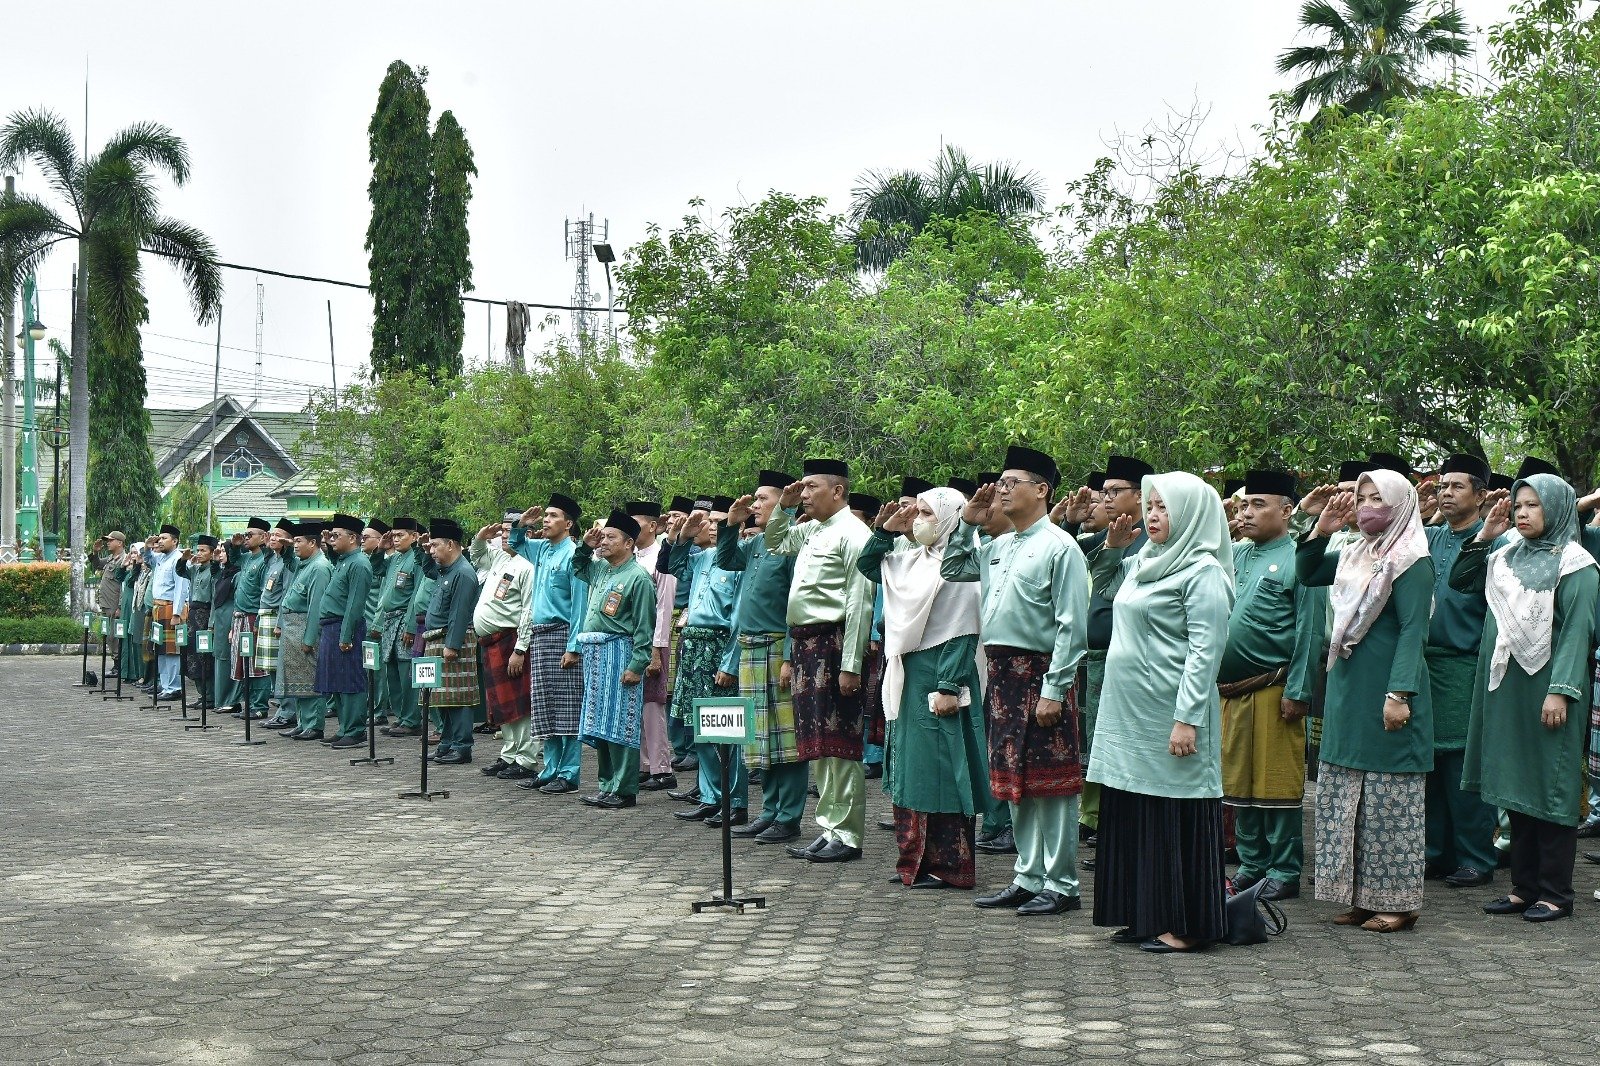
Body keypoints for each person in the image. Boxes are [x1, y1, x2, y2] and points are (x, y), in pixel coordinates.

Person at [1088, 472, 1234, 952]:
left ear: (1191, 514)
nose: (1152, 515)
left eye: (1164, 507)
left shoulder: (1203, 572)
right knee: (1133, 808)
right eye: (1150, 505)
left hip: (1171, 714)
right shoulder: (1144, 560)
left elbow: (1204, 652)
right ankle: (1138, 911)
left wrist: (1187, 718)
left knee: (1173, 811)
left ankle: (1184, 925)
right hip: (1129, 712)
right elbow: (1105, 598)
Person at [942, 445, 1089, 916]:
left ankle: (1062, 884)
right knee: (1015, 781)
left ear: (1042, 490)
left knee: (1054, 785)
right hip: (1003, 677)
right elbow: (952, 567)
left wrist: (1054, 689)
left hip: (1042, 675)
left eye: (1012, 483)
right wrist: (967, 521)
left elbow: (1072, 626)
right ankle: (1027, 877)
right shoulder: (999, 546)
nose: (1001, 490)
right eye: (1001, 483)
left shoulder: (1060, 547)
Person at [1456, 474, 1598, 922]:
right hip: (1506, 687)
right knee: (1516, 788)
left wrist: (1561, 691)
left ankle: (1556, 893)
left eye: (1534, 505)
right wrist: (1485, 535)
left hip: (1550, 690)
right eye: (1518, 505)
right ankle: (1523, 888)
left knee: (1550, 788)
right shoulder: (1505, 556)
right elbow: (1460, 580)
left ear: (1556, 509)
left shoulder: (1576, 564)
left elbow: (1578, 634)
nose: (1522, 513)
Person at [1297, 469, 1434, 933]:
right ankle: (1358, 897)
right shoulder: (1355, 552)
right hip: (1348, 689)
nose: (1367, 505)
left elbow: (1415, 630)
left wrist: (1399, 694)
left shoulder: (1412, 559)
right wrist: (1321, 531)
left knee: (1387, 799)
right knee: (1345, 796)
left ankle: (1397, 902)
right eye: (1362, 497)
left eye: (1379, 498)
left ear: (1401, 505)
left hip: (1387, 692)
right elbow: (1309, 571)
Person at [862, 486, 985, 889]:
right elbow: (867, 565)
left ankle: (948, 866)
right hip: (908, 675)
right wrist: (883, 530)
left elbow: (963, 629)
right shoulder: (912, 560)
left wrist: (950, 684)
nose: (920, 520)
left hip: (940, 677)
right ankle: (913, 861)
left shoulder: (961, 565)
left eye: (929, 513)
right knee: (910, 771)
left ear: (950, 517)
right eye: (917, 511)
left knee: (941, 770)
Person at [766, 458, 877, 863]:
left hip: (834, 644)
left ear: (838, 492)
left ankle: (847, 836)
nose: (806, 493)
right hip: (806, 644)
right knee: (817, 743)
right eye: (803, 487)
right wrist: (783, 507)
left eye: (812, 486)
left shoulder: (854, 533)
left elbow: (860, 603)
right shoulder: (814, 528)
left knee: (840, 743)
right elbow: (775, 542)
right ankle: (828, 827)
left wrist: (851, 664)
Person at [1220, 470, 1314, 902]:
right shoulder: (1235, 556)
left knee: (1277, 783)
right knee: (1238, 782)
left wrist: (1299, 690)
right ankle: (1251, 864)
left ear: (1286, 510)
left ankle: (1284, 869)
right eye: (1244, 504)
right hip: (1230, 690)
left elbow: (1309, 632)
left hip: (1276, 689)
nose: (1248, 512)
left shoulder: (1300, 559)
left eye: (1260, 504)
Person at [1421, 455, 1502, 888]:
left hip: (1465, 663)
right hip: (1425, 664)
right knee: (1429, 764)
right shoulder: (1429, 536)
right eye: (1441, 487)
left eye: (1456, 486)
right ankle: (1437, 853)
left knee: (1463, 766)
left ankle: (1476, 857)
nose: (1445, 493)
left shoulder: (1496, 542)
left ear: (1482, 495)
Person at [720, 472, 806, 844]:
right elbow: (725, 559)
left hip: (775, 648)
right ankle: (769, 811)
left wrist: (789, 655)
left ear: (784, 505)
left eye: (761, 500)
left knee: (786, 739)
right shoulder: (756, 545)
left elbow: (796, 606)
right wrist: (730, 524)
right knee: (761, 738)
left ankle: (789, 817)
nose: (754, 505)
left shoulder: (792, 547)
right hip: (750, 648)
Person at [1078, 455, 1153, 852]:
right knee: (1098, 741)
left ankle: (1115, 825)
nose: (1104, 499)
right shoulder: (1108, 537)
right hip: (1097, 655)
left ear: (1139, 496)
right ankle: (1096, 820)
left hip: (1132, 658)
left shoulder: (1152, 540)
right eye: (1103, 492)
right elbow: (1077, 553)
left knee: (1123, 742)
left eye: (1114, 492)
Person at [666, 499, 746, 826]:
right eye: (708, 521)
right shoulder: (704, 557)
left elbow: (740, 616)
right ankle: (710, 796)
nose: (711, 526)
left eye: (719, 521)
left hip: (718, 646)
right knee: (700, 727)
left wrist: (730, 662)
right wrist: (681, 536)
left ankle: (734, 801)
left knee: (724, 730)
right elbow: (675, 568)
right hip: (693, 646)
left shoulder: (740, 559)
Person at [573, 510, 659, 809]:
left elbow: (645, 627)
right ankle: (606, 786)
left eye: (611, 537)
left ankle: (624, 789)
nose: (604, 542)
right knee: (601, 723)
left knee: (621, 722)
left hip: (620, 654)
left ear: (629, 543)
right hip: (596, 656)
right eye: (603, 536)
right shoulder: (600, 569)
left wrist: (637, 665)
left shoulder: (639, 578)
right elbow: (577, 565)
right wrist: (585, 545)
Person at [510, 493, 589, 795]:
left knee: (567, 707)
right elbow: (516, 544)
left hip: (562, 634)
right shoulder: (542, 548)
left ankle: (569, 774)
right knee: (545, 707)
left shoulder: (574, 554)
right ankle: (550, 769)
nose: (547, 519)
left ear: (569, 524)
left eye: (554, 516)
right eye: (546, 515)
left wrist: (574, 647)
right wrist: (522, 523)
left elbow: (579, 606)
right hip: (541, 636)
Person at [470, 515, 538, 780]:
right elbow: (477, 556)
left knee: (520, 706)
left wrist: (520, 649)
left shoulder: (527, 566)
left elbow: (528, 611)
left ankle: (526, 759)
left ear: (526, 535)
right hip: (493, 641)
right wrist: (480, 537)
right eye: (503, 532)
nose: (505, 536)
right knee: (502, 705)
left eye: (512, 532)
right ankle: (510, 754)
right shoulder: (500, 558)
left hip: (511, 641)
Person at [628, 501, 680, 792]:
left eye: (636, 523)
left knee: (653, 705)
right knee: (637, 705)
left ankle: (662, 767)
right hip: (633, 638)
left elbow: (664, 607)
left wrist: (657, 649)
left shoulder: (662, 557)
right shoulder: (631, 557)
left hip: (652, 641)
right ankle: (644, 765)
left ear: (652, 525)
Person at [420, 518, 481, 765]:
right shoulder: (447, 570)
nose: (432, 550)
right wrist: (424, 552)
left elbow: (460, 613)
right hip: (438, 639)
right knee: (442, 698)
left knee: (459, 698)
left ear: (452, 544)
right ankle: (446, 743)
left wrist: (452, 645)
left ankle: (462, 746)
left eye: (435, 546)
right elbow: (428, 569)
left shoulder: (464, 573)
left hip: (454, 642)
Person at [312, 513, 375, 749]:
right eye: (330, 535)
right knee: (336, 680)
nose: (331, 539)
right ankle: (343, 727)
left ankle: (355, 729)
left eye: (336, 535)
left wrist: (346, 635)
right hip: (331, 627)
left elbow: (355, 604)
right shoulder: (344, 560)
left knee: (350, 680)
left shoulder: (359, 563)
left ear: (353, 538)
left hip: (345, 627)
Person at [375, 518, 427, 738]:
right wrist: (380, 549)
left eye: (400, 535)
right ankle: (400, 717)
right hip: (389, 621)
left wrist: (411, 625)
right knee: (393, 671)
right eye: (394, 535)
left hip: (405, 620)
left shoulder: (417, 559)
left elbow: (416, 594)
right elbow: (375, 569)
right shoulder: (395, 558)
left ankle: (412, 718)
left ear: (414, 537)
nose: (395, 540)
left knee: (407, 672)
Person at [282, 523, 334, 741]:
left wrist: (310, 637)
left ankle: (314, 724)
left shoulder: (320, 567)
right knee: (298, 678)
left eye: (298, 541)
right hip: (293, 627)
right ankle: (303, 721)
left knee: (311, 678)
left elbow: (316, 605)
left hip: (305, 627)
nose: (295, 546)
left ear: (312, 543)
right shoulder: (306, 564)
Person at [229, 517, 274, 720]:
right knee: (243, 663)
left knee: (257, 666)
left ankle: (260, 706)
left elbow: (266, 591)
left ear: (263, 537)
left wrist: (257, 621)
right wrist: (235, 546)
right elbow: (232, 560)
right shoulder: (247, 557)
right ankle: (249, 704)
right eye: (245, 534)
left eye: (249, 535)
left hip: (254, 616)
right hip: (240, 617)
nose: (245, 538)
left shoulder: (265, 560)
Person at [258, 519, 299, 728]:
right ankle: (281, 708)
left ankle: (288, 710)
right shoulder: (273, 559)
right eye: (272, 534)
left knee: (283, 667)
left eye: (278, 535)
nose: (273, 538)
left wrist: (281, 622)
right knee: (273, 667)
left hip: (278, 616)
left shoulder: (289, 562)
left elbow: (287, 593)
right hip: (266, 614)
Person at [146, 524, 189, 701]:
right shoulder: (162, 558)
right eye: (160, 538)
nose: (160, 541)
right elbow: (148, 559)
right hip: (159, 608)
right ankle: (165, 685)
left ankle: (174, 687)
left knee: (172, 650)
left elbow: (181, 588)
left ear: (175, 541)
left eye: (164, 538)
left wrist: (177, 613)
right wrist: (148, 547)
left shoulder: (178, 559)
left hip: (171, 608)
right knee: (161, 649)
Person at [179, 536, 217, 708]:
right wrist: (183, 558)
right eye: (198, 550)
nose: (199, 553)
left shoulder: (214, 570)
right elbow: (180, 571)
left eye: (203, 550)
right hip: (192, 615)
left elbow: (215, 599)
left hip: (205, 614)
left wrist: (211, 623)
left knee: (204, 657)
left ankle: (209, 696)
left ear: (212, 552)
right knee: (192, 655)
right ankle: (201, 694)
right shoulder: (195, 569)